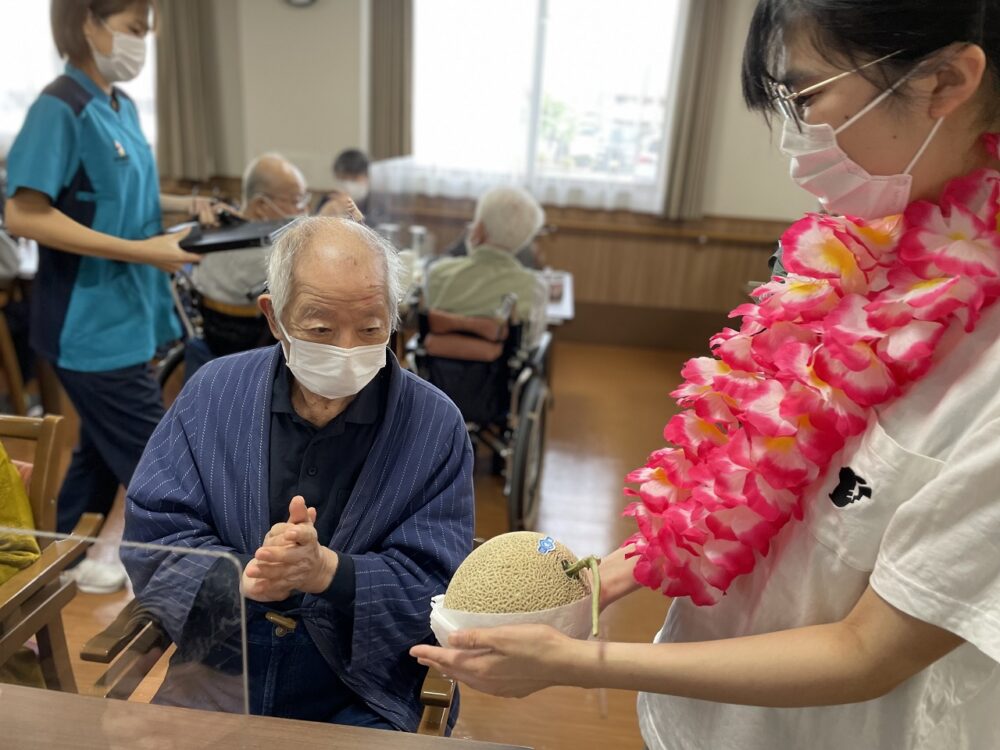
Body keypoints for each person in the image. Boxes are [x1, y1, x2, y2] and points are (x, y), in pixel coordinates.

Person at [412, 2, 1000, 748]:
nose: (794, 133)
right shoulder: (856, 258)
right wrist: (603, 581)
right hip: (701, 720)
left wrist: (581, 661)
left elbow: (871, 651)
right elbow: (742, 484)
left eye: (808, 95)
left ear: (946, 79)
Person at [122, 216, 475, 731]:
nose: (348, 348)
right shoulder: (213, 393)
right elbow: (154, 538)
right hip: (223, 663)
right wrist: (243, 574)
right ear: (273, 315)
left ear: (395, 319)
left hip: (361, 684)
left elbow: (443, 588)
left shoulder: (433, 425)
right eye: (321, 329)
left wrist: (329, 572)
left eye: (372, 328)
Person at [2, 0, 221, 594]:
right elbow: (23, 214)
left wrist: (185, 210)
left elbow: (116, 198)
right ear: (87, 25)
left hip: (125, 318)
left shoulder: (117, 106)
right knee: (166, 472)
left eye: (145, 31)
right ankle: (209, 601)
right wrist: (148, 250)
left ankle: (27, 582)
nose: (139, 43)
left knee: (94, 467)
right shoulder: (61, 106)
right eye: (131, 30)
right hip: (88, 326)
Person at [185, 153, 310, 377]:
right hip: (254, 354)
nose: (304, 210)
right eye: (297, 201)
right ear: (262, 205)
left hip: (208, 343)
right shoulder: (267, 255)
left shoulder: (213, 233)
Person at [425, 186, 549, 349]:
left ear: (479, 228)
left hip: (435, 370)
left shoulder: (438, 273)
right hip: (502, 372)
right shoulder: (535, 286)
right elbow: (531, 341)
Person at [317, 148, 371, 218]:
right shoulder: (327, 201)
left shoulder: (376, 203)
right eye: (343, 178)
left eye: (354, 178)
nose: (348, 184)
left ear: (367, 176)